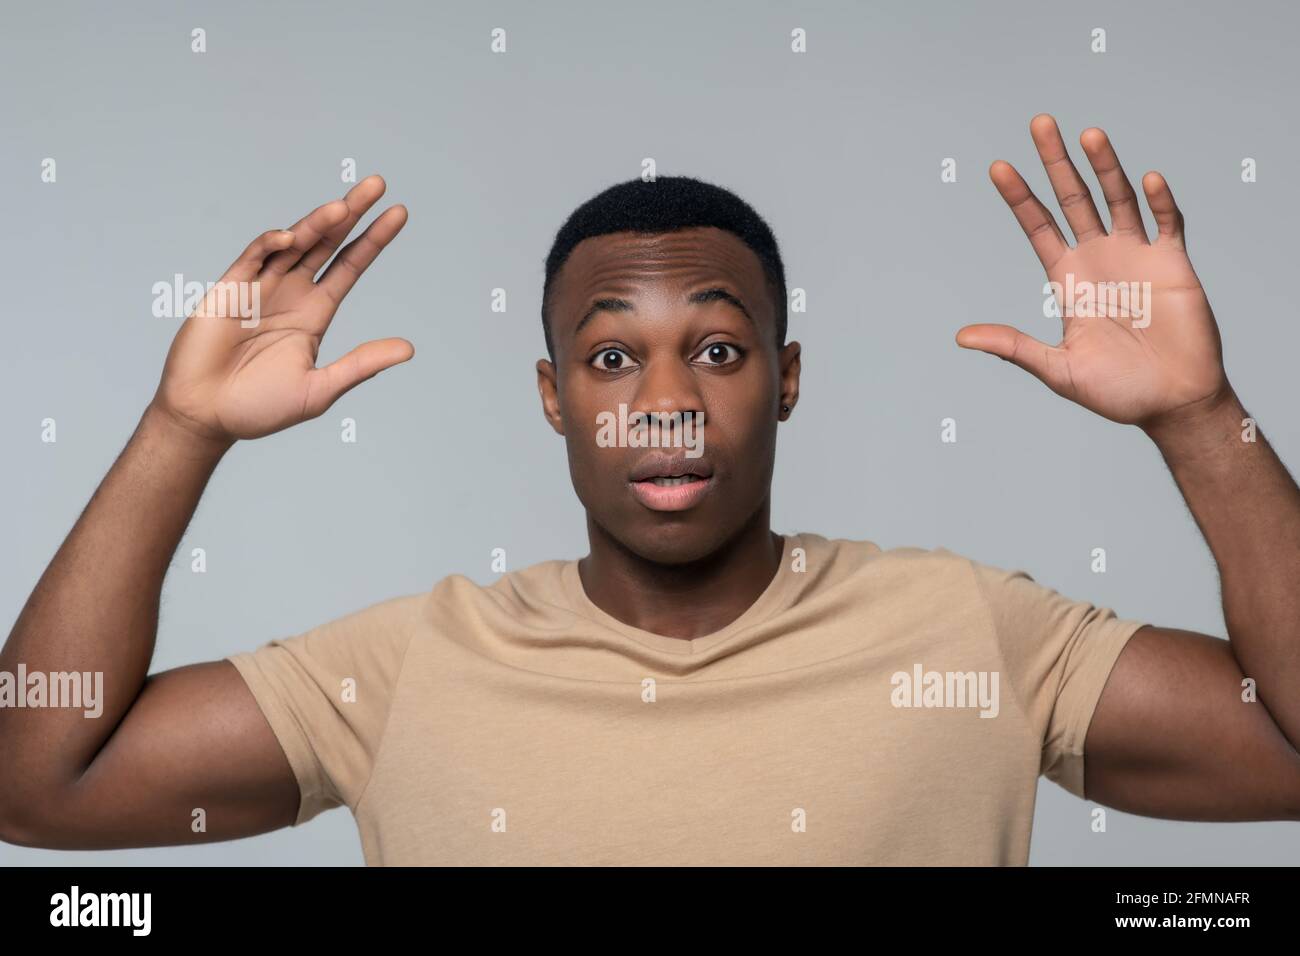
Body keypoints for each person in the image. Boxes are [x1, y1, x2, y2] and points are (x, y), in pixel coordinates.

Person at [2, 114, 1297, 865]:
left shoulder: (974, 636)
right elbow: (36, 782)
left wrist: (1199, 418)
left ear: (786, 378)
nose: (667, 398)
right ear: (553, 394)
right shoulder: (405, 669)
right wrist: (182, 429)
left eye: (719, 350)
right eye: (611, 356)